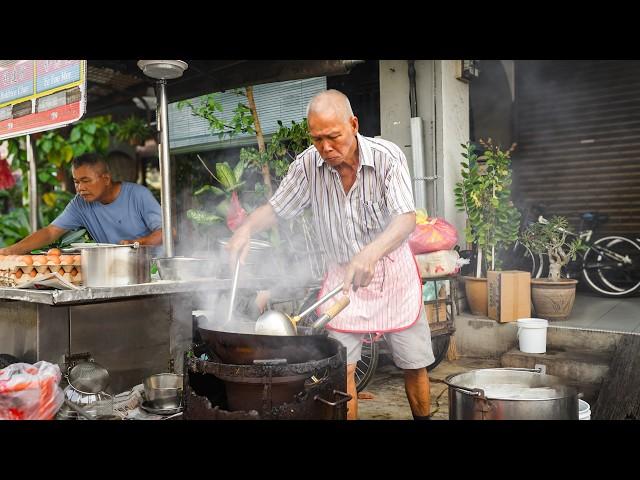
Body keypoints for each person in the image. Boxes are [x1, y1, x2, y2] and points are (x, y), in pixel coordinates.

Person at [226, 89, 435, 420]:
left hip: (393, 275)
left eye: (333, 136)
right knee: (343, 370)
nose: (325, 147)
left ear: (353, 124)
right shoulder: (308, 165)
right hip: (344, 281)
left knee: (414, 363)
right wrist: (246, 229)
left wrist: (370, 252)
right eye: (317, 138)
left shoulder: (387, 157)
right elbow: (277, 209)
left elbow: (405, 219)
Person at [0, 152, 163, 255]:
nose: (80, 188)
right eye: (76, 182)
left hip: (153, 270)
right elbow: (50, 232)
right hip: (116, 272)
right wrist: (10, 251)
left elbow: (168, 232)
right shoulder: (80, 204)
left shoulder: (138, 195)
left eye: (86, 181)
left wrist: (137, 244)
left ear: (106, 179)